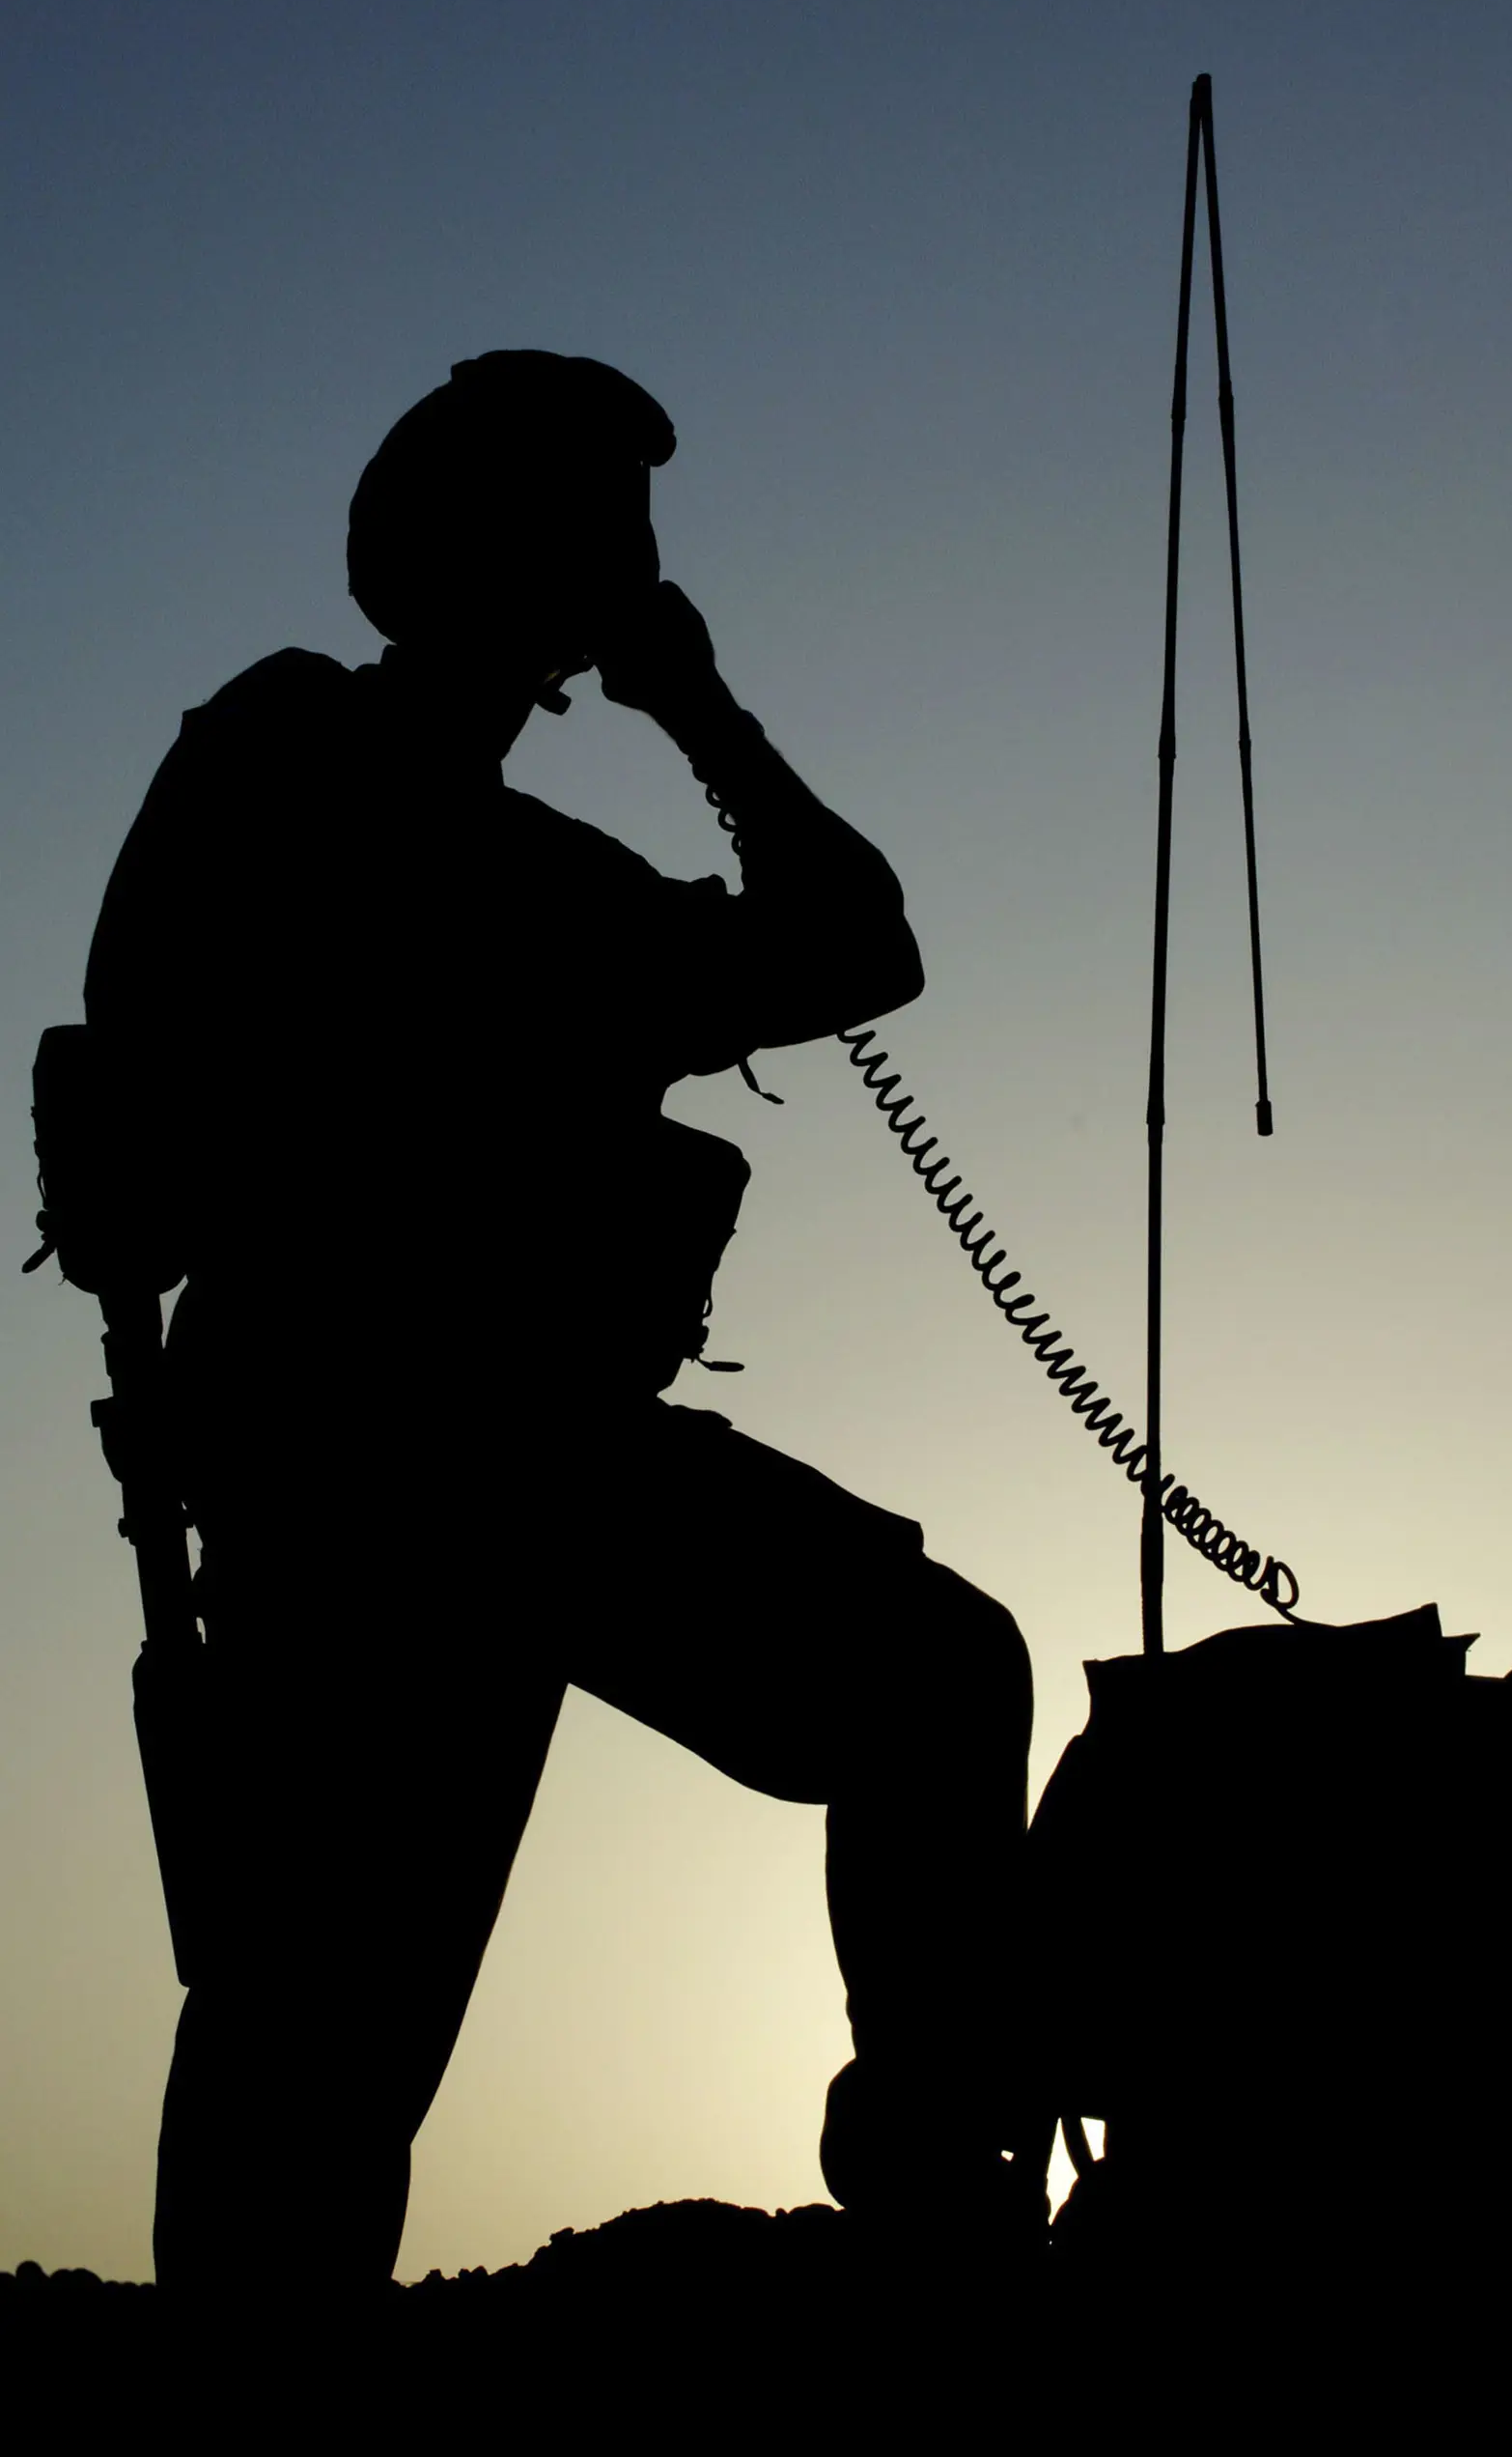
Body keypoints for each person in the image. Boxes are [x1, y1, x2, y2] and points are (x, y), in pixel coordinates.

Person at [82, 350, 1037, 2291]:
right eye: (594, 525)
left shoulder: (554, 878)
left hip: (543, 1466)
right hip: (372, 1467)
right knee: (321, 2042)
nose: (629, 561)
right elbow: (150, 1073)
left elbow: (865, 947)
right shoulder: (299, 759)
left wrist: (695, 704)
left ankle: (944, 2196)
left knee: (932, 1674)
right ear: (485, 552)